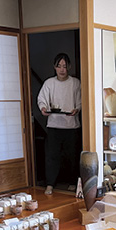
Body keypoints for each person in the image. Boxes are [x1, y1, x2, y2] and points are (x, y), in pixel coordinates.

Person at [37, 53, 81, 195]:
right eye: (59, 66)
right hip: (54, 125)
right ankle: (50, 184)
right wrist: (43, 108)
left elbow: (80, 99)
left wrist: (77, 109)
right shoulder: (49, 83)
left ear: (69, 67)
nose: (62, 69)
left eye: (64, 66)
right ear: (55, 67)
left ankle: (73, 182)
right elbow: (42, 98)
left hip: (71, 125)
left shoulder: (75, 82)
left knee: (72, 156)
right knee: (52, 156)